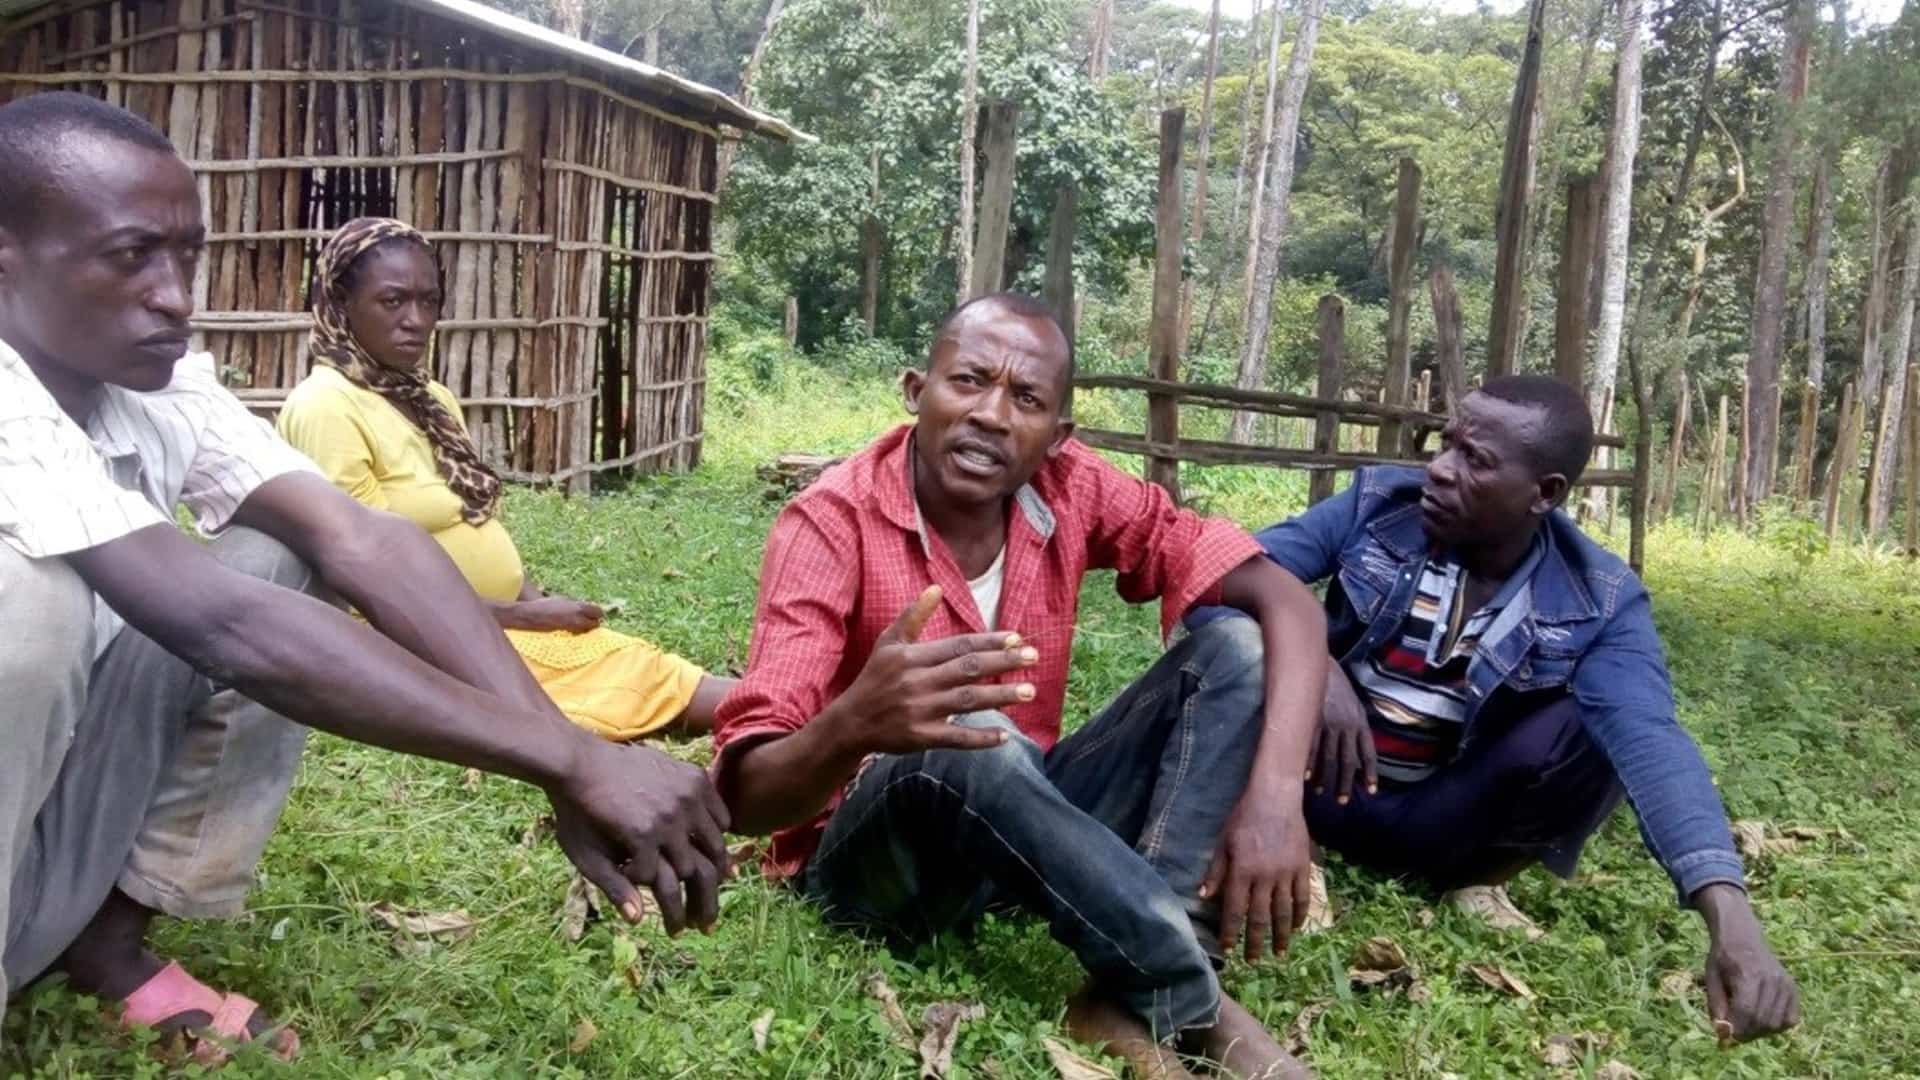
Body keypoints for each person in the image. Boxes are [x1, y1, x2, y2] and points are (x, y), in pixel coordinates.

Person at [0, 92, 730, 1062]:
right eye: (133, 256)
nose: (175, 294)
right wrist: (577, 758)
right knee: (31, 605)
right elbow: (226, 626)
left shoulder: (163, 390)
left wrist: (564, 760)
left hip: (40, 849)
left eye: (186, 257)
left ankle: (101, 941)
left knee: (285, 554)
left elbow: (362, 541)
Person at [712, 292, 1331, 1080]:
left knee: (1237, 648)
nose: (992, 415)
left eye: (1026, 399)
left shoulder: (1070, 488)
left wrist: (1277, 797)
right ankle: (1192, 999)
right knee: (973, 731)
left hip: (1014, 836)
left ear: (1057, 437)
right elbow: (747, 801)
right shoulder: (830, 523)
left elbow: (1282, 601)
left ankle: (1123, 990)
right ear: (915, 391)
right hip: (869, 869)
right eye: (968, 381)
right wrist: (855, 726)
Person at [1194, 375, 1801, 1044]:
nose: (1439, 469)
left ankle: (1473, 884)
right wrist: (1318, 661)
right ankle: (1297, 856)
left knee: (1594, 726)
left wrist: (1730, 917)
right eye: (1447, 444)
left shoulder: (1596, 596)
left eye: (1474, 460)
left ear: (1545, 494)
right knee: (1249, 636)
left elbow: (1652, 742)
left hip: (1441, 819)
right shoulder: (1377, 506)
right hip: (1309, 787)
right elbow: (1222, 575)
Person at [276, 217, 733, 741]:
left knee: (626, 659)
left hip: (488, 624)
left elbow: (478, 525)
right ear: (340, 304)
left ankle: (779, 705)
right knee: (634, 678)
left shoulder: (430, 401)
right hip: (416, 646)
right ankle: (783, 710)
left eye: (429, 302)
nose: (416, 320)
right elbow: (367, 586)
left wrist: (536, 605)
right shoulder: (326, 408)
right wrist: (525, 619)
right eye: (392, 301)